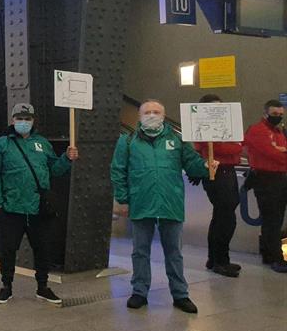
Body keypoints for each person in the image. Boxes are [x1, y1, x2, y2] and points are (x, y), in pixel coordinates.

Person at [111, 99, 215, 314]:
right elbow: (118, 170)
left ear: (164, 115)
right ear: (140, 116)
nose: (151, 115)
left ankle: (180, 294)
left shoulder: (177, 139)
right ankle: (139, 291)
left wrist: (206, 167)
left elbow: (192, 164)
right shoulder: (128, 141)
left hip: (170, 202)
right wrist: (123, 199)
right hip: (141, 202)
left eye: (156, 112)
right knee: (140, 251)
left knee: (174, 251)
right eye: (147, 112)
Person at [0, 103, 78, 306]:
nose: (23, 122)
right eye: (19, 118)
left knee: (43, 249)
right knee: (8, 249)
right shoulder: (2, 144)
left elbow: (55, 169)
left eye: (27, 119)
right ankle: (6, 286)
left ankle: (43, 287)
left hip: (38, 208)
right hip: (11, 208)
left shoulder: (42, 144)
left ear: (33, 121)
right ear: (12, 120)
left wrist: (66, 158)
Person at [192, 94, 243, 278]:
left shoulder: (224, 127)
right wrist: (234, 146)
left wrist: (234, 146)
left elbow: (237, 145)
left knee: (221, 217)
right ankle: (220, 261)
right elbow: (224, 148)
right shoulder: (203, 129)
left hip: (227, 171)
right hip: (217, 172)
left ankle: (215, 258)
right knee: (225, 218)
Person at [244, 99, 287, 273]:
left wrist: (280, 151)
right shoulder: (257, 131)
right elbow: (273, 154)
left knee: (276, 219)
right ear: (265, 113)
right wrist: (281, 151)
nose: (278, 116)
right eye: (274, 114)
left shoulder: (278, 132)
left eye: (281, 114)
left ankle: (271, 255)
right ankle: (275, 257)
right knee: (272, 220)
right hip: (266, 180)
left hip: (280, 178)